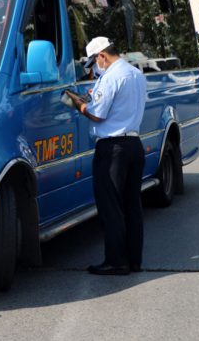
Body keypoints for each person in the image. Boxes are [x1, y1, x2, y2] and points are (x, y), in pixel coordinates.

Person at [65, 37, 147, 275]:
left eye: (94, 62)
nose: (95, 67)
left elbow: (97, 114)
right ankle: (134, 261)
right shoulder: (136, 74)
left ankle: (116, 262)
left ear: (101, 56)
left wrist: (79, 104)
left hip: (112, 149)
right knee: (132, 206)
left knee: (110, 206)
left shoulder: (110, 77)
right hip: (134, 144)